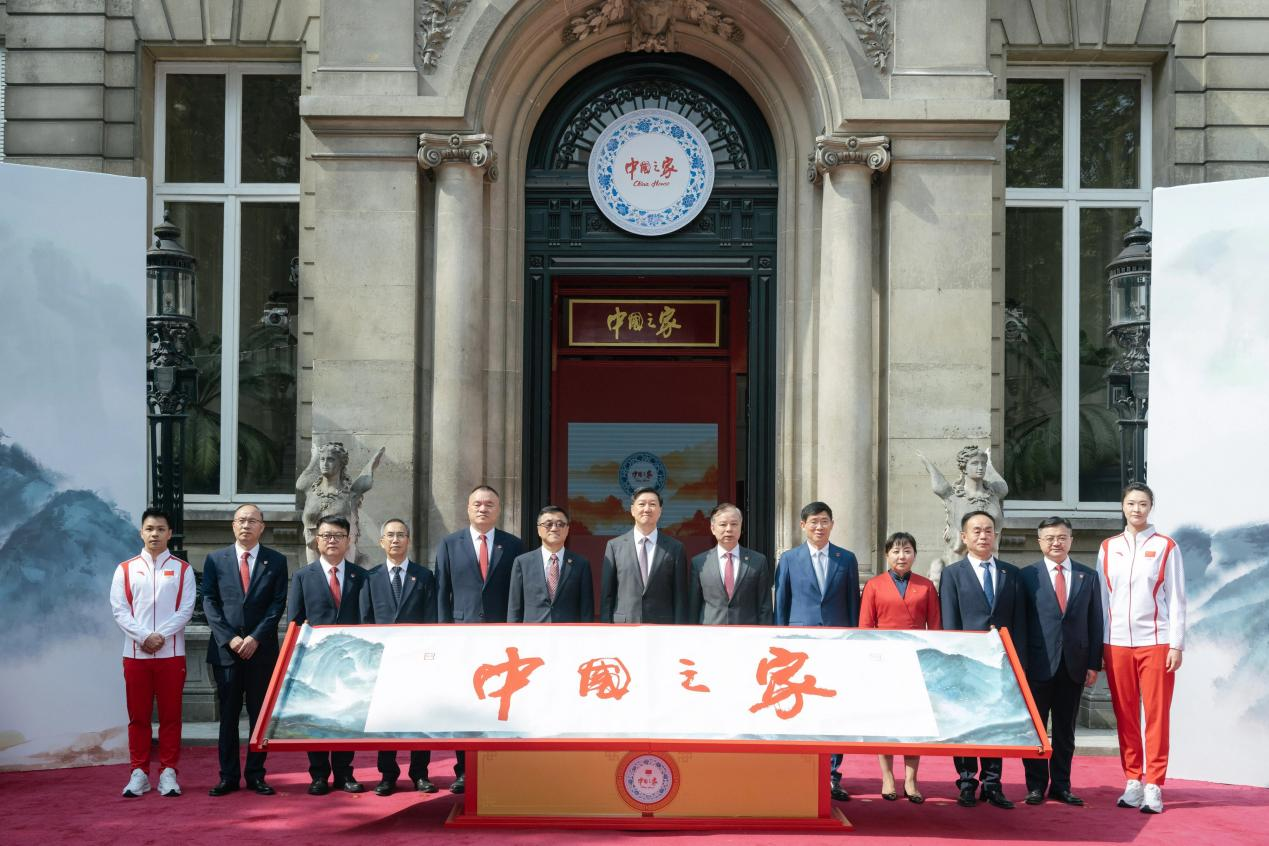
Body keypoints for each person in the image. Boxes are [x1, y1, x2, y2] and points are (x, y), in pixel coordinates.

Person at [1098, 483, 1186, 815]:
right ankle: (1133, 780)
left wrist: (1176, 643)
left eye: (1143, 504)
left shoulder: (1166, 547)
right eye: (1131, 503)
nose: (1137, 509)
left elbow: (1177, 599)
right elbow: (1103, 601)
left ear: (1151, 508)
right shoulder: (1108, 547)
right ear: (1122, 506)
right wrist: (1100, 646)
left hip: (1156, 641)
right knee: (1125, 715)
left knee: (1157, 715)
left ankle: (1154, 785)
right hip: (1116, 642)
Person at [435, 484, 524, 793]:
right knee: (467, 703)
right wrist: (444, 632)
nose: (483, 508)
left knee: (503, 703)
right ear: (468, 508)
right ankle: (464, 769)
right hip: (463, 636)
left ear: (498, 510)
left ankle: (502, 766)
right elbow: (442, 592)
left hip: (501, 637)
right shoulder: (449, 544)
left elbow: (519, 593)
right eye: (477, 504)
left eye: (489, 504)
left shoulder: (513, 546)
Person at [939, 510, 1027, 809]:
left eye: (988, 530)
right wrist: (952, 659)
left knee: (994, 722)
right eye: (976, 531)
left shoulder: (1010, 574)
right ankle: (966, 782)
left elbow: (1018, 622)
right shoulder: (953, 574)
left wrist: (1017, 662)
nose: (983, 536)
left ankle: (993, 784)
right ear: (964, 537)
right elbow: (949, 621)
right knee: (965, 721)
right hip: (965, 661)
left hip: (1000, 662)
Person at [773, 501, 861, 801]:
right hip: (799, 648)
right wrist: (781, 643)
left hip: (836, 645)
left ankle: (833, 774)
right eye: (813, 522)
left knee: (833, 710)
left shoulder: (846, 559)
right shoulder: (789, 559)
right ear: (803, 525)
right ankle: (798, 770)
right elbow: (781, 605)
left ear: (832, 524)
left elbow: (852, 605)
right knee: (799, 709)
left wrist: (852, 641)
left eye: (824, 521)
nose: (819, 527)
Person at [202, 504, 289, 797]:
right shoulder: (215, 560)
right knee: (227, 717)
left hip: (261, 652)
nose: (246, 525)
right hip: (226, 652)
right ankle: (227, 776)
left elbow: (278, 604)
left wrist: (255, 638)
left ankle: (256, 774)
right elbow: (209, 603)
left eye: (253, 521)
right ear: (232, 525)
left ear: (262, 527)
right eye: (241, 520)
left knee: (258, 715)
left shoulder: (276, 561)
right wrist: (230, 638)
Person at [110, 508, 196, 798]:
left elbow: (186, 609)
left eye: (160, 529)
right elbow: (120, 610)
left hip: (172, 654)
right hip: (136, 655)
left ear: (170, 533)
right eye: (149, 529)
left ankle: (169, 772)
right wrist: (144, 636)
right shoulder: (125, 569)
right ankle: (139, 772)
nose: (155, 534)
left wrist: (162, 635)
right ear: (141, 532)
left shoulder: (183, 570)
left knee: (171, 716)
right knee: (139, 717)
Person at [1019, 517, 1103, 807]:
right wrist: (1021, 665)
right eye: (1050, 537)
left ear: (1071, 539)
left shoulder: (1087, 576)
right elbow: (1022, 623)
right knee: (1036, 729)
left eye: (1062, 537)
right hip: (1037, 666)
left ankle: (1062, 786)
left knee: (1066, 731)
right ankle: (1035, 786)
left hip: (1074, 665)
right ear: (1039, 540)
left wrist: (1094, 663)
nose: (1057, 542)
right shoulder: (1026, 576)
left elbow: (1096, 622)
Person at [287, 514, 367, 795]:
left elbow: (367, 620)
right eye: (326, 536)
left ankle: (345, 773)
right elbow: (294, 621)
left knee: (347, 716)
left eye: (338, 536)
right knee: (317, 717)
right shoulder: (302, 576)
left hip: (351, 660)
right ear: (317, 540)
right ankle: (319, 775)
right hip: (315, 660)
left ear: (348, 540)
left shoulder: (361, 576)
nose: (332, 540)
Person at [858, 531, 940, 803]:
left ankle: (911, 779)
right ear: (886, 555)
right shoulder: (874, 585)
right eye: (895, 551)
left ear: (914, 554)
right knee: (887, 720)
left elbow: (936, 628)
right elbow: (865, 628)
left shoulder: (926, 586)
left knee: (914, 721)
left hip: (916, 659)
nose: (901, 556)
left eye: (906, 551)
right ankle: (887, 777)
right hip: (884, 660)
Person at [359, 518, 439, 795]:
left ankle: (420, 773)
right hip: (385, 662)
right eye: (390, 535)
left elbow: (432, 621)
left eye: (401, 535)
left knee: (420, 718)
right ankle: (388, 775)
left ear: (409, 540)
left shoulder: (424, 577)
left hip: (417, 660)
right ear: (381, 542)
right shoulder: (370, 578)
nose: (395, 540)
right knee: (387, 719)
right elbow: (366, 621)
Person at [917, 447, 1008, 584]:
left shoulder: (994, 494)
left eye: (982, 464)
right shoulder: (953, 496)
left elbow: (1002, 486)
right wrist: (928, 464)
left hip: (991, 564)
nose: (980, 467)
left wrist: (989, 463)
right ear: (964, 467)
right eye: (975, 463)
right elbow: (938, 486)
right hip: (957, 565)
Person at [599, 487, 688, 624]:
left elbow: (680, 596)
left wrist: (679, 630)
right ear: (632, 510)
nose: (647, 509)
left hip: (662, 628)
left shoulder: (675, 548)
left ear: (660, 511)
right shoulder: (614, 546)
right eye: (641, 504)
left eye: (652, 504)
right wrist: (606, 629)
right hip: (624, 627)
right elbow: (607, 596)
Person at [296, 440, 385, 559]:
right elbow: (300, 483)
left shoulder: (350, 494)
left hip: (344, 559)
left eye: (331, 459)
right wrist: (315, 457)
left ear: (341, 463)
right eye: (322, 459)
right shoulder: (310, 489)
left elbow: (350, 544)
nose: (325, 464)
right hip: (314, 555)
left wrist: (372, 464)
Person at [687, 503, 772, 625]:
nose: (728, 529)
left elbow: (765, 605)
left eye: (734, 524)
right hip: (710, 633)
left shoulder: (758, 561)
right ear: (713, 528)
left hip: (747, 634)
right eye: (723, 524)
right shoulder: (699, 562)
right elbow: (693, 607)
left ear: (741, 527)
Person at [508, 506, 594, 623]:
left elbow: (586, 610)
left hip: (568, 636)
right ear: (538, 529)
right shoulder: (522, 563)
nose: (554, 528)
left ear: (567, 529)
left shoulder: (581, 564)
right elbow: (514, 608)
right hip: (532, 636)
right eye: (548, 524)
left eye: (560, 524)